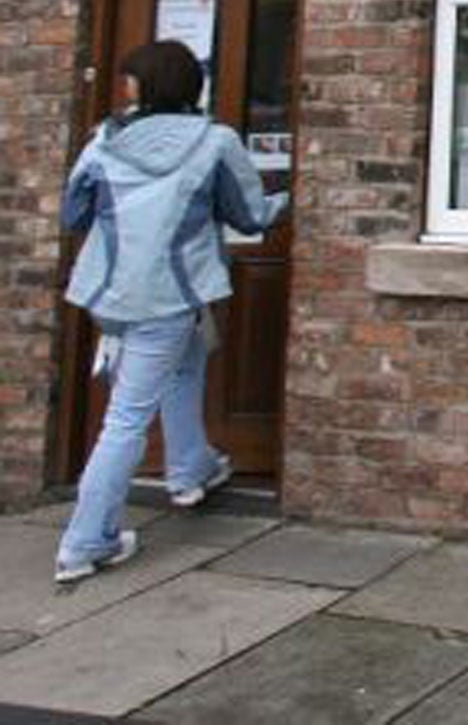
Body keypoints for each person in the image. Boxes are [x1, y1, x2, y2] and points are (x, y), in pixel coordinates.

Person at [54, 40, 288, 583]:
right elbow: (250, 216)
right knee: (127, 418)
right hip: (171, 294)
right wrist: (294, 199)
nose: (124, 90)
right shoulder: (216, 142)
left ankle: (191, 468)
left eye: (128, 81)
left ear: (139, 88)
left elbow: (72, 213)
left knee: (187, 364)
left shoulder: (103, 142)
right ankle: (85, 542)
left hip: (111, 294)